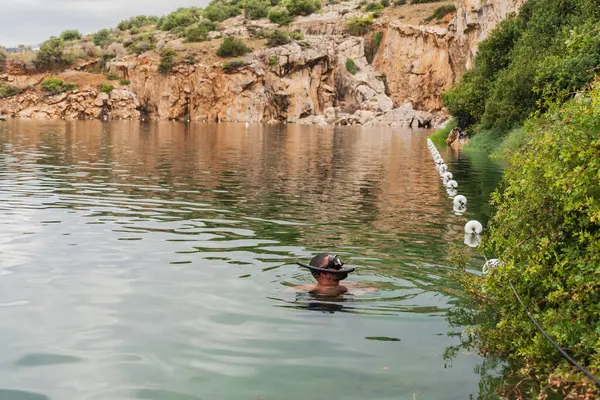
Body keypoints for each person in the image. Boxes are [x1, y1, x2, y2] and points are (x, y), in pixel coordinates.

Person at [295, 253, 376, 296]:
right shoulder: (310, 289)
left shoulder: (348, 285)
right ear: (323, 273)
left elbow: (373, 288)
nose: (340, 268)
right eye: (334, 265)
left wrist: (363, 291)